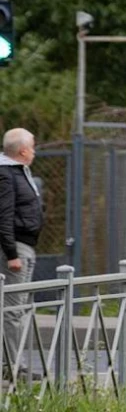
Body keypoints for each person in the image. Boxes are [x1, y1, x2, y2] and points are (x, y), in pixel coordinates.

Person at [0, 128, 43, 380]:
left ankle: (12, 365)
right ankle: (12, 368)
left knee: (18, 307)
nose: (35, 151)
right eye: (33, 146)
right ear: (23, 150)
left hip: (23, 246)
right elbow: (3, 216)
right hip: (15, 250)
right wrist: (11, 253)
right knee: (13, 310)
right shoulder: (7, 175)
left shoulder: (16, 173)